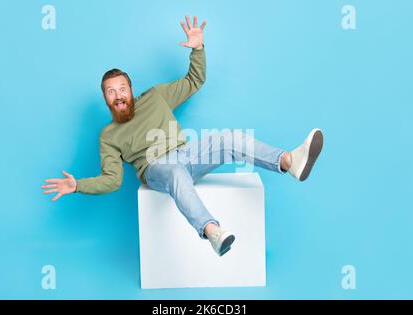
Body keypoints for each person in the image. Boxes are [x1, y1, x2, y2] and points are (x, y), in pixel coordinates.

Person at [41, 15, 324, 257]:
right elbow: (112, 180)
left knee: (230, 138)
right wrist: (78, 185)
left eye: (122, 88)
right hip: (156, 169)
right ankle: (212, 231)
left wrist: (198, 48)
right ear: (105, 98)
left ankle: (289, 161)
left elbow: (194, 81)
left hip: (188, 154)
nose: (118, 95)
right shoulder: (108, 135)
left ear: (131, 89)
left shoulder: (154, 97)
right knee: (176, 171)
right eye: (111, 91)